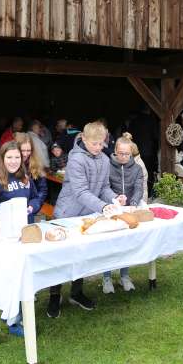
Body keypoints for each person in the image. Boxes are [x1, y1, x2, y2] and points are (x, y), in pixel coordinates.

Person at [49, 121, 125, 318]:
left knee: (81, 255)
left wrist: (113, 198)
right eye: (94, 144)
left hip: (86, 215)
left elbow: (103, 188)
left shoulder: (105, 159)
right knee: (60, 257)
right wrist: (102, 206)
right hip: (67, 214)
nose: (98, 148)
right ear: (84, 139)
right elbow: (81, 192)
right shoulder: (76, 160)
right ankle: (54, 296)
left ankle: (76, 293)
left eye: (101, 144)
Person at [0, 141, 41, 336]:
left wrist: (31, 207)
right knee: (10, 277)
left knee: (23, 276)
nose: (13, 161)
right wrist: (11, 210)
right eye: (9, 157)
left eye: (16, 157)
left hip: (25, 234)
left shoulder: (25, 177)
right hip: (6, 237)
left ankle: (17, 314)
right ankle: (12, 319)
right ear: (2, 158)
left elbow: (36, 198)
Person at [102, 133, 145, 294]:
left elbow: (139, 188)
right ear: (115, 151)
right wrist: (113, 201)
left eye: (127, 154)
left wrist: (133, 203)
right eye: (121, 153)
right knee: (108, 244)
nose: (124, 157)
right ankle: (106, 277)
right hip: (111, 208)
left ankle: (124, 275)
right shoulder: (107, 165)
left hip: (128, 209)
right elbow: (104, 186)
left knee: (125, 244)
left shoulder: (137, 168)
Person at [14, 133, 48, 224]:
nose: (25, 154)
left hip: (29, 209)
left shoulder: (36, 164)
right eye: (22, 150)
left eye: (28, 150)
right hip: (12, 210)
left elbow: (42, 189)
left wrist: (34, 206)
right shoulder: (10, 163)